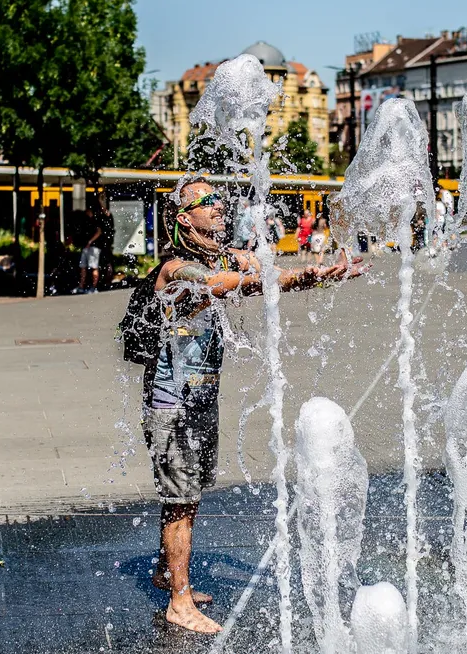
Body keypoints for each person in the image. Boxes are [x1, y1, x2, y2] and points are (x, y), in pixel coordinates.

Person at [139, 177, 367, 633]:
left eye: (221, 201)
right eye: (209, 202)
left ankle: (167, 573)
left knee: (189, 494)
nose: (221, 208)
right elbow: (218, 284)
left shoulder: (227, 258)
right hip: (171, 401)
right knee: (181, 499)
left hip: (202, 395)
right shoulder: (174, 267)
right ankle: (179, 603)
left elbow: (268, 275)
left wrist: (311, 275)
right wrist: (256, 278)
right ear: (186, 218)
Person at [76, 208, 102, 294]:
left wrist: (90, 241)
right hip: (85, 247)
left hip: (93, 247)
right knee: (83, 267)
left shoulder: (95, 221)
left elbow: (99, 232)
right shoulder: (84, 222)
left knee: (94, 267)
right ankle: (81, 286)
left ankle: (93, 287)